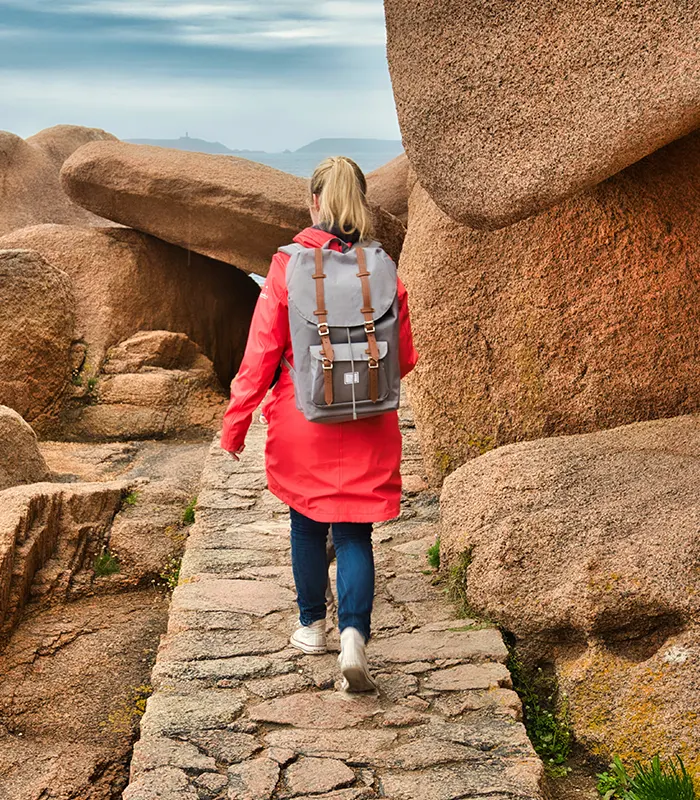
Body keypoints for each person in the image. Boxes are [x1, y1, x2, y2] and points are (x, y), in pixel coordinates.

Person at [220, 156, 418, 692]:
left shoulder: (286, 266)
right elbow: (405, 358)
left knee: (306, 525)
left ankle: (312, 627)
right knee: (355, 533)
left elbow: (261, 352)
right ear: (361, 202)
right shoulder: (382, 265)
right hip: (368, 420)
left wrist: (235, 423)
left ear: (314, 203)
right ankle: (355, 636)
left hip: (302, 419)